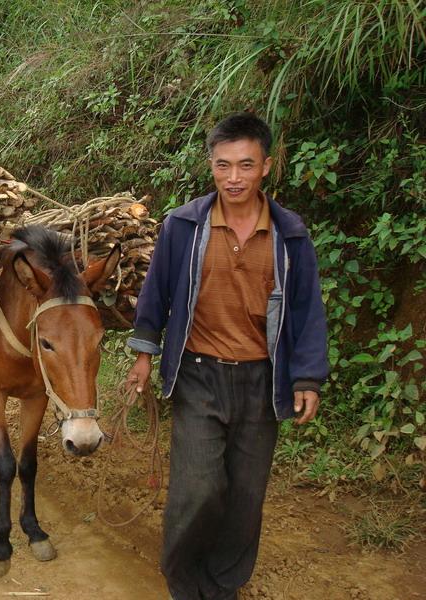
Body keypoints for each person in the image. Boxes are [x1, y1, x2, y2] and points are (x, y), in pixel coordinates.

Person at [125, 112, 328, 600]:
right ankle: (183, 580)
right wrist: (144, 355)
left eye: (245, 165)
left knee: (244, 497)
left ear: (266, 167)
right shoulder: (184, 225)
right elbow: (156, 296)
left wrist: (307, 379)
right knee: (197, 490)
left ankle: (222, 586)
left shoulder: (290, 235)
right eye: (223, 165)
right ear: (210, 165)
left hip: (262, 382)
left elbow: (306, 310)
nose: (233, 178)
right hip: (197, 375)